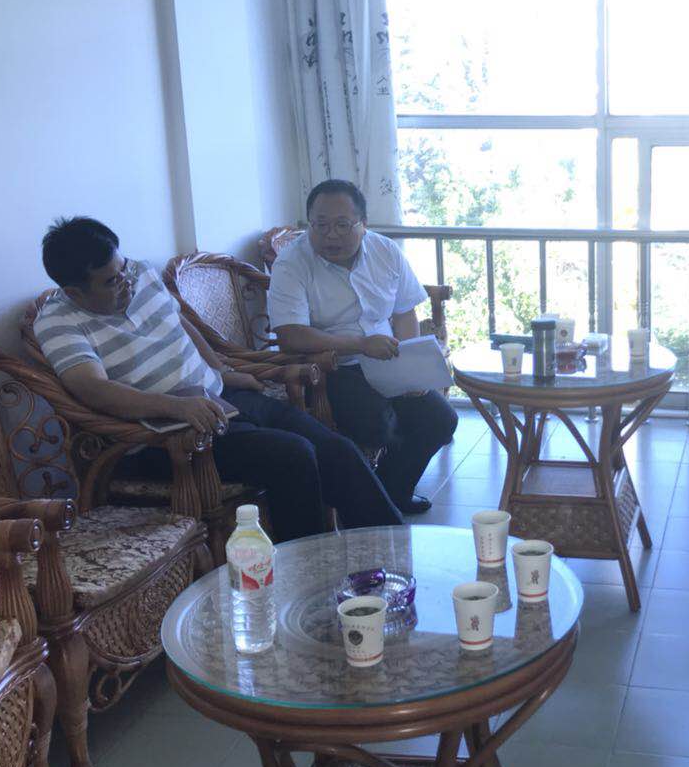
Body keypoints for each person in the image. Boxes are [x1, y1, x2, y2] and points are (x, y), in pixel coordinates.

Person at [33, 217, 403, 540]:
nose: (126, 283)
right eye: (111, 281)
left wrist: (223, 372)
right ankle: (307, 573)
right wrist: (177, 407)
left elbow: (181, 324)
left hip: (221, 398)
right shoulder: (57, 322)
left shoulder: (140, 274)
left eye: (123, 268)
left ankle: (392, 551)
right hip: (165, 436)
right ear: (74, 292)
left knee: (336, 449)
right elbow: (93, 389)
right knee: (292, 455)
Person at [268, 179, 458, 515]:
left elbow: (404, 312)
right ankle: (372, 502)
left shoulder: (385, 251)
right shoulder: (292, 263)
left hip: (387, 360)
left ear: (363, 224)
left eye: (342, 225)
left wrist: (410, 370)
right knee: (379, 424)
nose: (331, 235)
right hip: (332, 368)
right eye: (320, 225)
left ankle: (391, 495)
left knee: (441, 420)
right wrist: (359, 345)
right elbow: (291, 335)